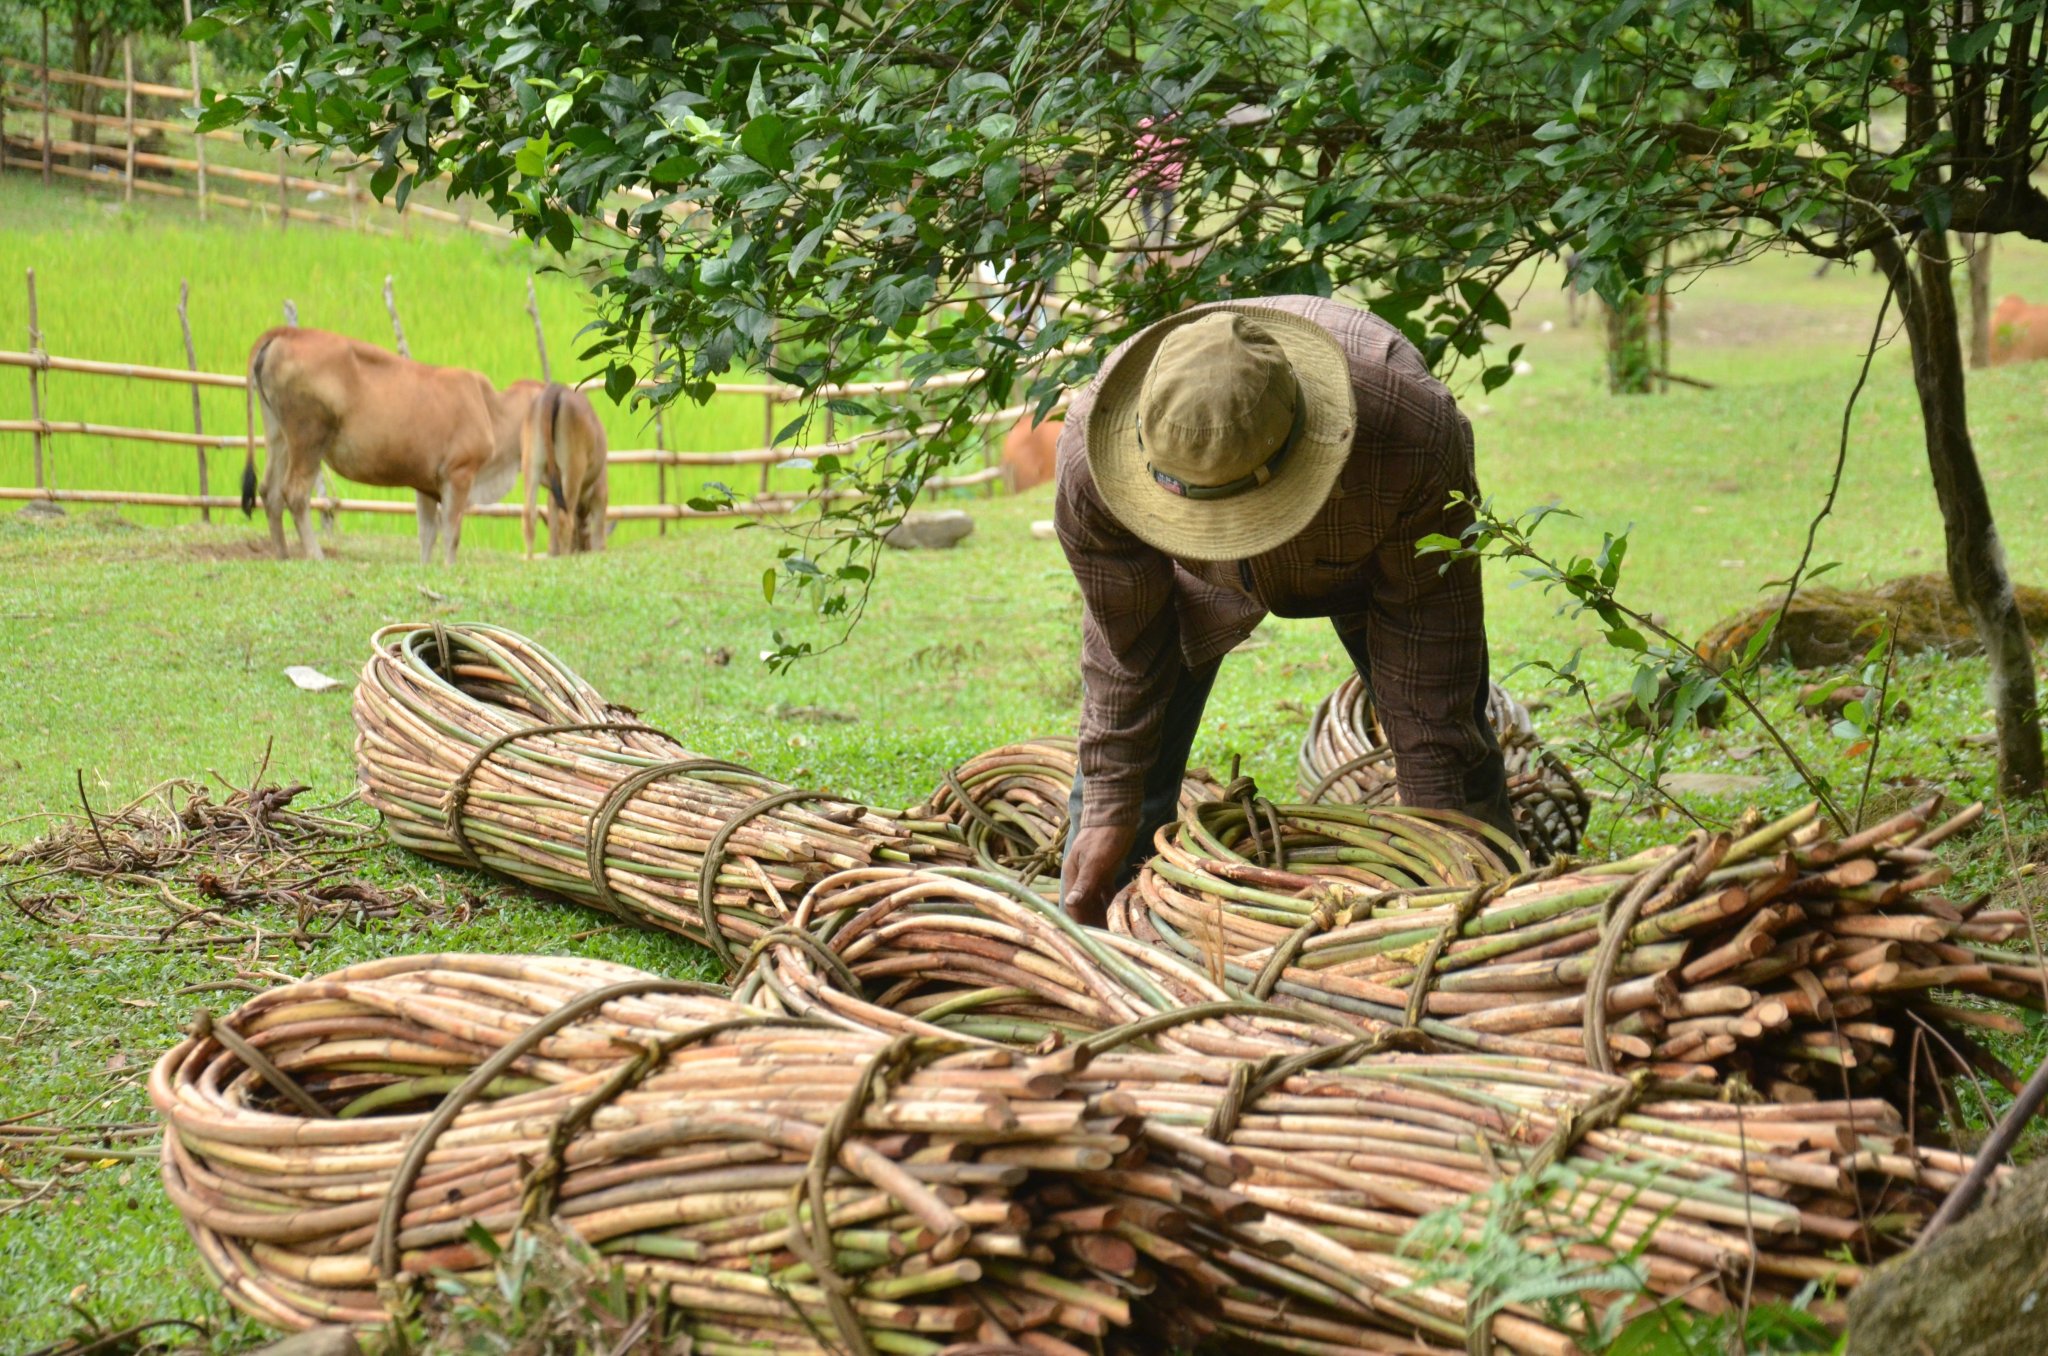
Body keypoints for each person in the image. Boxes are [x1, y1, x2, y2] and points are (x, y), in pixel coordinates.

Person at [1052, 296, 1521, 927]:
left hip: (1365, 550)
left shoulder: (1408, 432)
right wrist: (1111, 804)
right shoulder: (1094, 461)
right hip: (1187, 584)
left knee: (1457, 784)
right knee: (1110, 829)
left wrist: (1448, 846)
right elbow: (1128, 640)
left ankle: (1504, 918)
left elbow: (1430, 648)